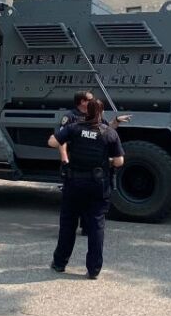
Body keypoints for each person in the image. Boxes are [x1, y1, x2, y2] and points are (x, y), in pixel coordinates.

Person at [49, 99, 124, 279]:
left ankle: (59, 263)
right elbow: (119, 162)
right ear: (102, 112)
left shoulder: (74, 128)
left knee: (68, 224)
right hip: (98, 184)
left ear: (86, 111)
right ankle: (94, 270)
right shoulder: (109, 133)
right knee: (96, 225)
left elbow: (52, 142)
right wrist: (107, 161)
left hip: (74, 183)